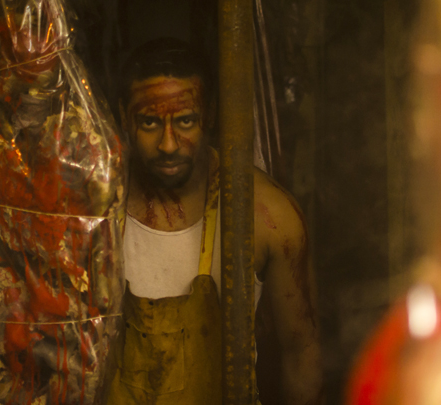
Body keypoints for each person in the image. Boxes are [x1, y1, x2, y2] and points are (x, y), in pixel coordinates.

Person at [106, 38, 323, 404]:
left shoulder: (267, 215)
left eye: (185, 121)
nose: (169, 144)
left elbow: (302, 351)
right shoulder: (94, 207)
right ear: (124, 118)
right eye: (150, 122)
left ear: (209, 115)